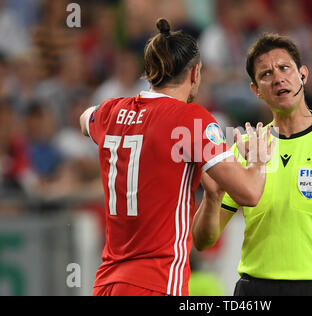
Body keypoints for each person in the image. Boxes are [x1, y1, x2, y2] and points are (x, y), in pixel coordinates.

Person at [79, 19, 274, 296]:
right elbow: (250, 193)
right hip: (156, 282)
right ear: (195, 73)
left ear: (149, 73)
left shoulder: (111, 111)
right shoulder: (190, 120)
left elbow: (85, 118)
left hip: (107, 283)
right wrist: (258, 159)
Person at [192, 33, 312, 296]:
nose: (278, 77)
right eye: (266, 74)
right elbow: (204, 241)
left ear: (302, 75)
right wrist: (212, 198)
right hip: (255, 291)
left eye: (284, 68)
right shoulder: (245, 149)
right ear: (255, 90)